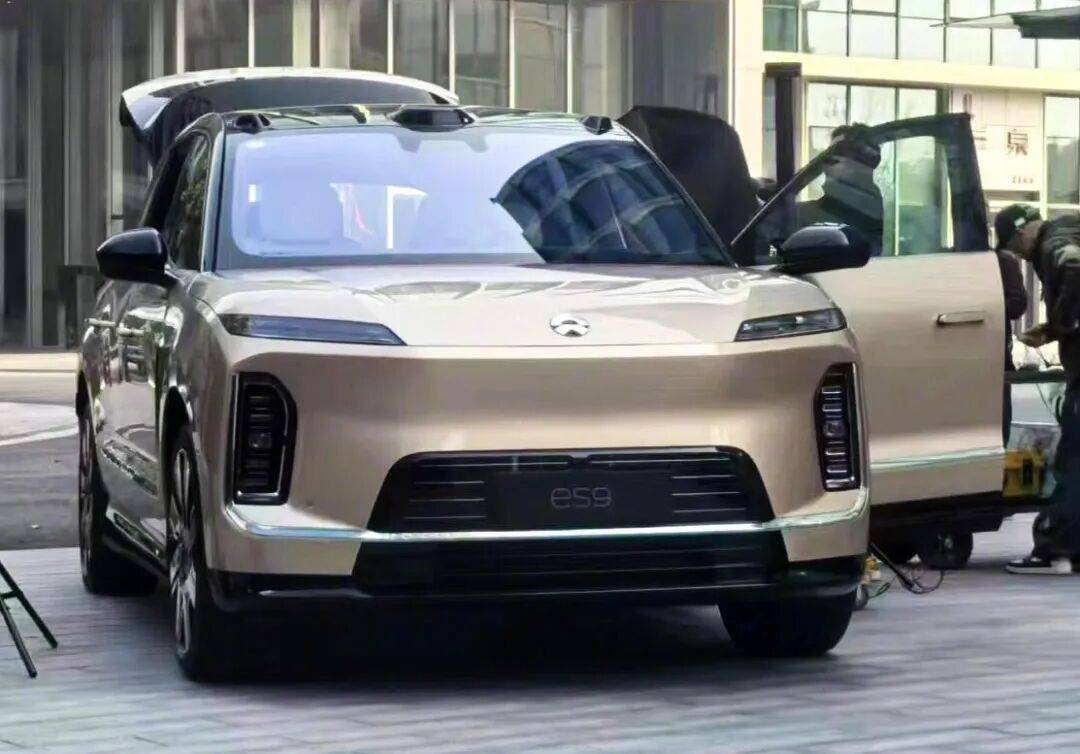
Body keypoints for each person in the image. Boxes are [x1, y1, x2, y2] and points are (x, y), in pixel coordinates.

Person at [998, 204, 1080, 574]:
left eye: (1015, 248)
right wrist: (1050, 331)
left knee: (1073, 460)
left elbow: (1074, 269)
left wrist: (1062, 324)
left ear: (1023, 232)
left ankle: (1056, 549)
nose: (1019, 256)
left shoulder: (1055, 244)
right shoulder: (1069, 231)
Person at [993, 208, 1030, 445]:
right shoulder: (1006, 261)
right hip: (997, 354)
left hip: (986, 349)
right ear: (1017, 232)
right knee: (1000, 423)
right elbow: (1017, 304)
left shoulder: (991, 258)